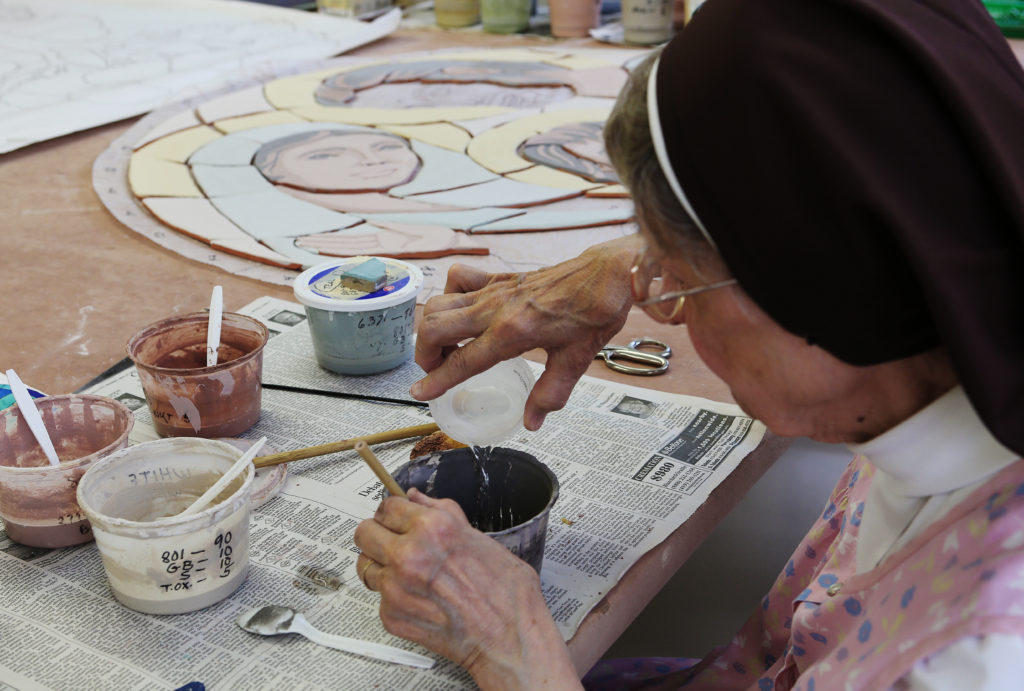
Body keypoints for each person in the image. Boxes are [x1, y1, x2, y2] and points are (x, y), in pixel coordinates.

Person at [352, 0, 1024, 688]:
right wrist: (627, 263)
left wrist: (514, 646)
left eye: (677, 280)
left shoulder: (979, 659)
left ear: (816, 292)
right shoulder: (948, 308)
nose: (664, 308)